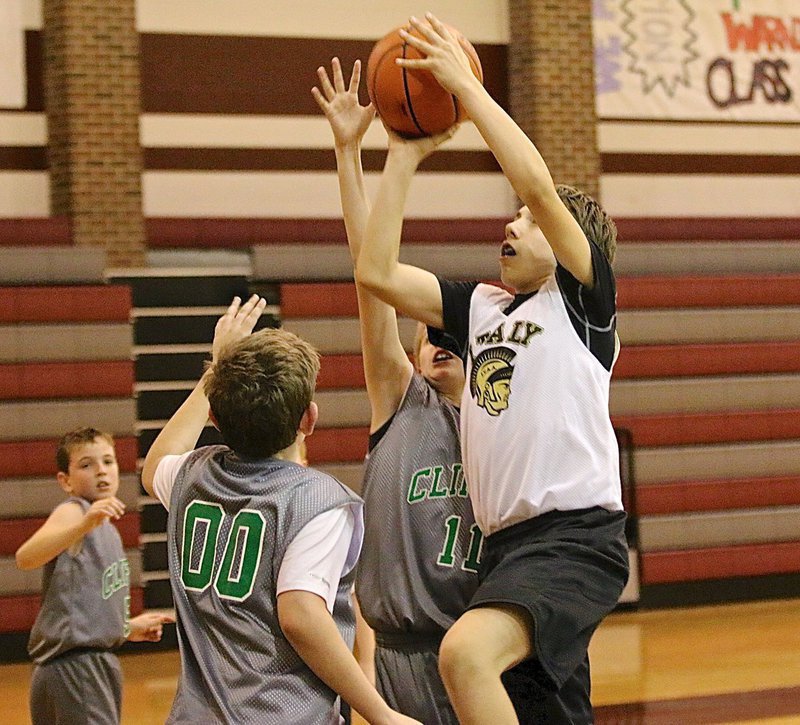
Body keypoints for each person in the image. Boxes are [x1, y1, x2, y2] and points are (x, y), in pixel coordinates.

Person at [354, 13, 630, 725]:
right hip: (504, 547)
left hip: (576, 536)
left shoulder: (580, 297)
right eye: (510, 219)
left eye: (527, 222)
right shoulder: (479, 308)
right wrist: (405, 157)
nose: (511, 224)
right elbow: (376, 270)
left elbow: (538, 184)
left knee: (464, 655)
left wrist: (467, 91)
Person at [140, 295, 420, 725]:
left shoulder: (192, 476)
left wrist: (215, 369)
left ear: (214, 416)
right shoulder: (319, 502)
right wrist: (381, 713)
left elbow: (156, 462)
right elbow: (302, 617)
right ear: (309, 419)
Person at [313, 58, 480, 724]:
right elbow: (370, 281)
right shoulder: (400, 399)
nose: (435, 340)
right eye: (425, 331)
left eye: (451, 332)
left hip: (474, 659)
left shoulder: (502, 418)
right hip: (394, 659)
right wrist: (350, 155)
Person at [15, 426, 174, 725]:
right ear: (65, 481)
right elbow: (26, 557)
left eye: (108, 461)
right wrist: (83, 524)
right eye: (87, 465)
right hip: (78, 668)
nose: (101, 471)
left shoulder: (105, 529)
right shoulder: (76, 512)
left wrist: (125, 627)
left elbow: (82, 608)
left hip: (68, 668)